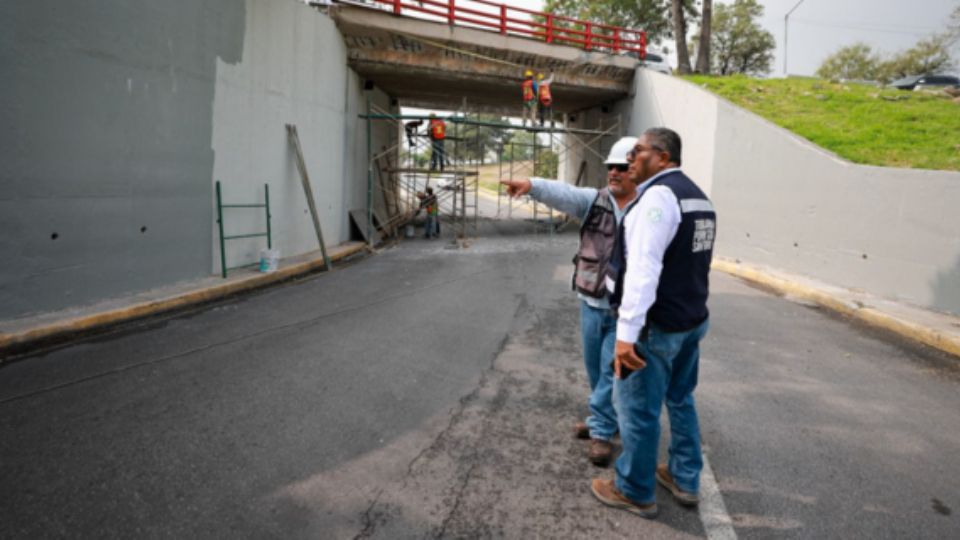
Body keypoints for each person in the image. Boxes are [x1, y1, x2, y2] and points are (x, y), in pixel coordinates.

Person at [590, 127, 716, 519]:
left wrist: (626, 337)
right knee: (680, 400)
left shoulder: (658, 199)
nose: (630, 158)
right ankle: (684, 477)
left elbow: (644, 271)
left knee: (638, 410)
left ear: (663, 157)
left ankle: (634, 489)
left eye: (638, 151)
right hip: (690, 320)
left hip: (657, 327)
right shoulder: (698, 196)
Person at [500, 136, 639, 467]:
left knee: (610, 373)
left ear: (638, 170)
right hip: (591, 304)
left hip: (625, 311)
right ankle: (603, 419)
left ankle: (602, 433)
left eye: (622, 167)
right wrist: (531, 184)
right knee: (596, 371)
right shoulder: (595, 201)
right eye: (611, 167)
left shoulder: (648, 208)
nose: (614, 173)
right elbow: (563, 193)